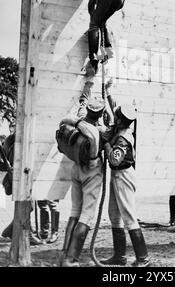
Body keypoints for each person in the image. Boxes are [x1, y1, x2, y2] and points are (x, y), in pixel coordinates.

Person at [99, 80, 150, 267]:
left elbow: (114, 159)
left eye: (117, 116)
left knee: (128, 215)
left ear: (121, 120)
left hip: (123, 175)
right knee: (114, 214)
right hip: (116, 175)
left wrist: (105, 144)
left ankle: (143, 258)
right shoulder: (121, 126)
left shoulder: (123, 137)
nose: (115, 117)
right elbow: (114, 108)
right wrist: (108, 91)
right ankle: (119, 256)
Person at [58, 70, 105, 267]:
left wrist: (89, 81)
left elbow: (83, 101)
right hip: (91, 174)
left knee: (75, 211)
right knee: (86, 215)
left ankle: (64, 254)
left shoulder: (80, 118)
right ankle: (71, 259)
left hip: (75, 169)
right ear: (100, 114)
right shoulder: (97, 132)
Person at [0, 126, 43, 245]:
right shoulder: (11, 141)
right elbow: (5, 161)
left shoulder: (15, 140)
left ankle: (9, 231)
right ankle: (26, 233)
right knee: (27, 206)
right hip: (17, 176)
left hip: (23, 174)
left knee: (28, 206)